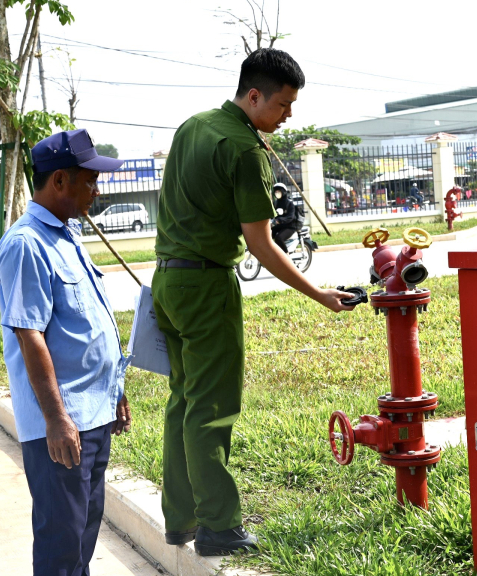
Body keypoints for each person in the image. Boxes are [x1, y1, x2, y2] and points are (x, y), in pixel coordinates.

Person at [152, 48, 355, 557]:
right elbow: (261, 245)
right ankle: (218, 526)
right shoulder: (245, 149)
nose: (289, 115)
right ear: (255, 95)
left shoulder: (193, 126)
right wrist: (318, 293)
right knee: (211, 408)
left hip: (167, 281)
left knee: (183, 400)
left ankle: (181, 519)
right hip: (206, 287)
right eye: (284, 104)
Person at [0, 128, 132, 576]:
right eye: (89, 181)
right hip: (62, 424)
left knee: (81, 540)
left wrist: (115, 393)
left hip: (93, 416)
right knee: (61, 546)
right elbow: (29, 335)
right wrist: (56, 419)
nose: (96, 190)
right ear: (59, 181)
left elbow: (86, 325)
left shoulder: (67, 235)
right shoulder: (26, 244)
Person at [270, 182, 303, 252]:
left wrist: (279, 220)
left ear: (283, 192)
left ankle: (286, 255)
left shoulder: (290, 204)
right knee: (267, 236)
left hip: (289, 227)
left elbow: (290, 217)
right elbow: (271, 214)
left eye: (279, 191)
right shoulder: (275, 203)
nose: (277, 193)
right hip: (279, 226)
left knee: (279, 238)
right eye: (276, 192)